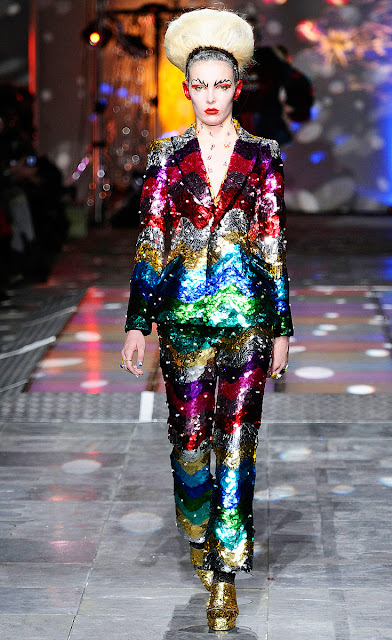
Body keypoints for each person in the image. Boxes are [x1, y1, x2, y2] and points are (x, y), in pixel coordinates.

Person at [121, 8, 293, 631]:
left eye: (223, 84)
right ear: (187, 89)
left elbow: (273, 242)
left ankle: (226, 571)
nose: (212, 95)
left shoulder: (263, 156)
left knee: (238, 445)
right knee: (192, 445)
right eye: (201, 85)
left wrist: (282, 327)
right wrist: (138, 322)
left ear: (236, 88)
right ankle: (197, 530)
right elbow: (151, 241)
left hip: (248, 321)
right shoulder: (167, 156)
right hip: (184, 320)